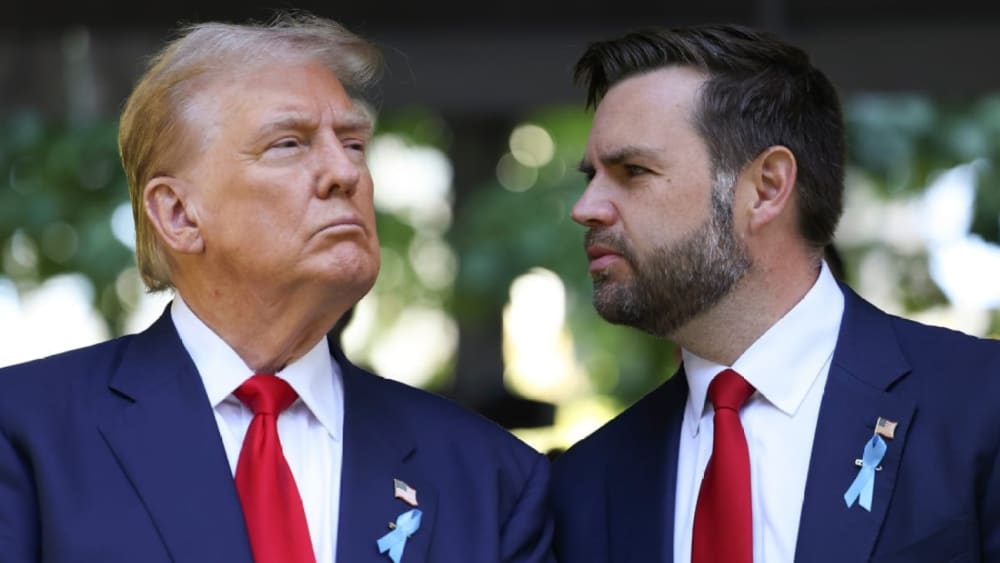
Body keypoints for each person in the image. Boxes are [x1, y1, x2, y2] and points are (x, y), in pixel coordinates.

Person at [0, 13, 554, 563]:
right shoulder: (25, 435)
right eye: (289, 144)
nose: (345, 173)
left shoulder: (490, 477)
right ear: (178, 214)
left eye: (353, 144)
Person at [551, 24, 1000, 562]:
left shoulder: (980, 405)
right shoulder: (588, 483)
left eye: (633, 171)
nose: (586, 208)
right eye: (591, 176)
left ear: (766, 188)